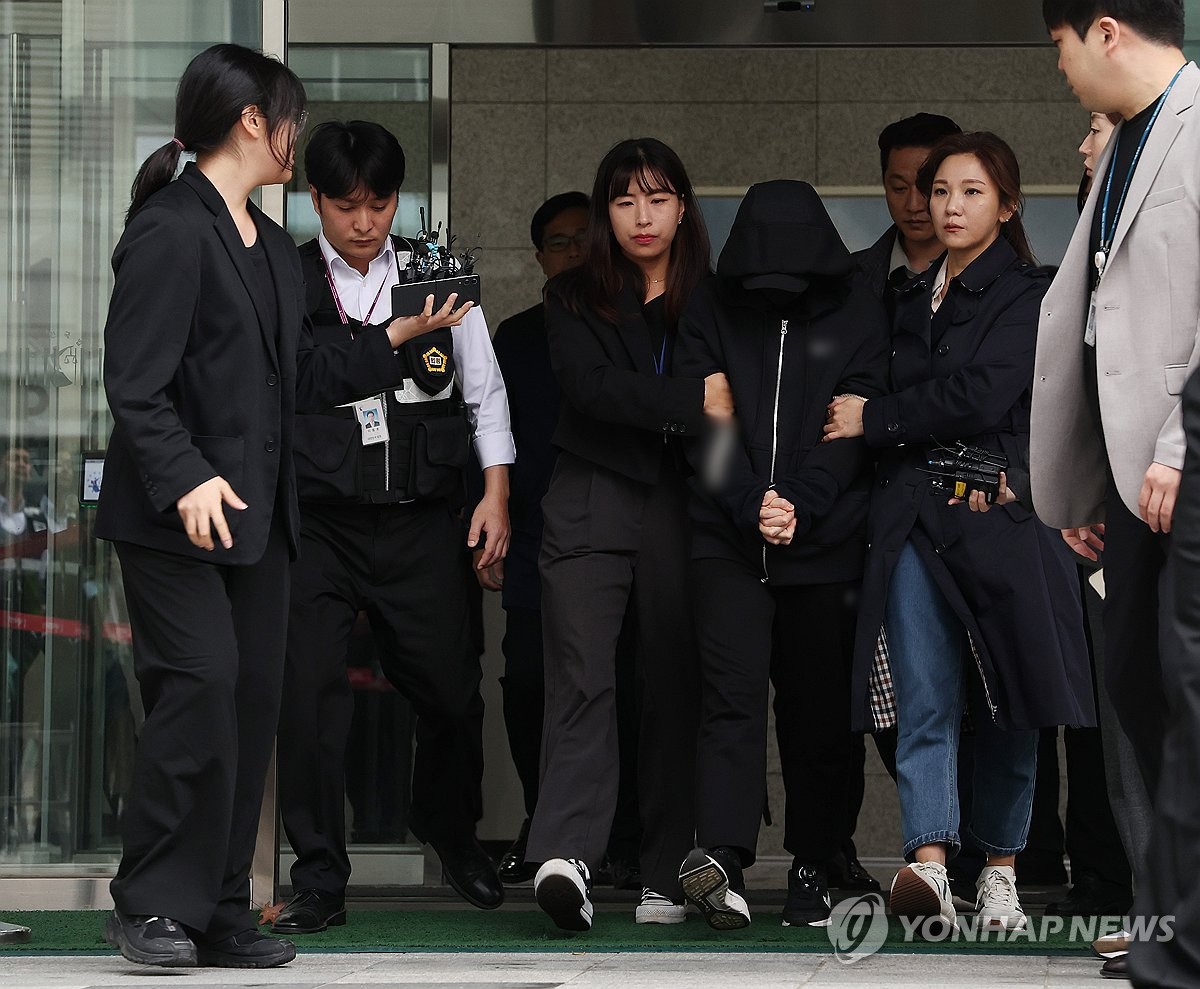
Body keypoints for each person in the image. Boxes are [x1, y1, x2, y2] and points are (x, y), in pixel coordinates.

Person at [95, 46, 471, 969]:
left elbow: (301, 374)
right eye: (289, 117)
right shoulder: (173, 228)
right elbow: (134, 386)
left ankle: (219, 906)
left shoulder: (262, 241)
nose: (296, 135)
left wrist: (396, 335)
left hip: (260, 522)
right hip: (176, 518)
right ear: (254, 122)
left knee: (250, 706)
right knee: (200, 690)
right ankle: (149, 900)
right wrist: (184, 478)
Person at [826, 131, 1094, 935]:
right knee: (925, 691)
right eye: (940, 191)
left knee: (1012, 697)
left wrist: (877, 418)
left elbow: (983, 392)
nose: (948, 207)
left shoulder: (1030, 293)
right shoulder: (903, 298)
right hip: (912, 515)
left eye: (971, 192)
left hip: (1002, 514)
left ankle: (1002, 870)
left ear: (1007, 205)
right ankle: (931, 864)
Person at [270, 120, 512, 936]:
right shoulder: (288, 278)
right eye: (346, 205)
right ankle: (318, 875)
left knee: (451, 688)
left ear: (398, 199)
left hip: (419, 520)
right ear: (315, 202)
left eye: (378, 202)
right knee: (308, 700)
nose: (364, 221)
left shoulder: (437, 277)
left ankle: (448, 825)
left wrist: (495, 494)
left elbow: (484, 393)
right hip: (320, 525)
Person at [1032, 2, 1200, 983]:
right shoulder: (1128, 140)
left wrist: (1180, 445)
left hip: (1181, 465)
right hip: (1130, 481)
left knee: (1180, 697)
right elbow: (1104, 320)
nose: (1058, 72)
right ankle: (1173, 914)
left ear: (1103, 31)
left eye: (1057, 48)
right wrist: (1089, 479)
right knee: (1139, 689)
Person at [526, 137, 732, 932]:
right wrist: (689, 400)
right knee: (582, 674)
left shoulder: (715, 298)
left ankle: (664, 870)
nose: (642, 216)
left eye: (657, 198)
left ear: (683, 204)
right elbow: (591, 388)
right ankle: (568, 856)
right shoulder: (574, 294)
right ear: (604, 212)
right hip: (590, 495)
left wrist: (687, 401)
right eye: (624, 200)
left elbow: (735, 396)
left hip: (686, 502)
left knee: (675, 680)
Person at [672, 180, 889, 930]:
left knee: (820, 713)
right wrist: (750, 505)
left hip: (824, 542)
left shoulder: (860, 308)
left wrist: (797, 501)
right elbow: (706, 421)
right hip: (727, 541)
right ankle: (724, 856)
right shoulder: (710, 303)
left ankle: (814, 859)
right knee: (728, 701)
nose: (776, 297)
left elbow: (854, 425)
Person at [483, 192, 643, 891]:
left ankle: (625, 837)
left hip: (620, 533)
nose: (573, 252)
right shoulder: (516, 336)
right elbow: (484, 433)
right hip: (531, 532)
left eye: (586, 238)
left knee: (626, 683)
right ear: (538, 254)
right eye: (559, 241)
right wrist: (487, 517)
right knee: (528, 683)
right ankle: (546, 821)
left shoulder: (630, 326)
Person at [841, 110, 963, 895]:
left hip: (972, 505)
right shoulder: (854, 280)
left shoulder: (995, 279)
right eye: (898, 184)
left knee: (996, 688)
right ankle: (935, 854)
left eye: (931, 184)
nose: (916, 202)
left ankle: (1004, 860)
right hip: (872, 510)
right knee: (897, 687)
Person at [1019, 109, 1134, 922]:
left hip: (1153, 505)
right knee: (1097, 713)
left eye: (1099, 128)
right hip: (1092, 523)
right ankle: (1113, 884)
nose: (1085, 144)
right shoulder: (1079, 271)